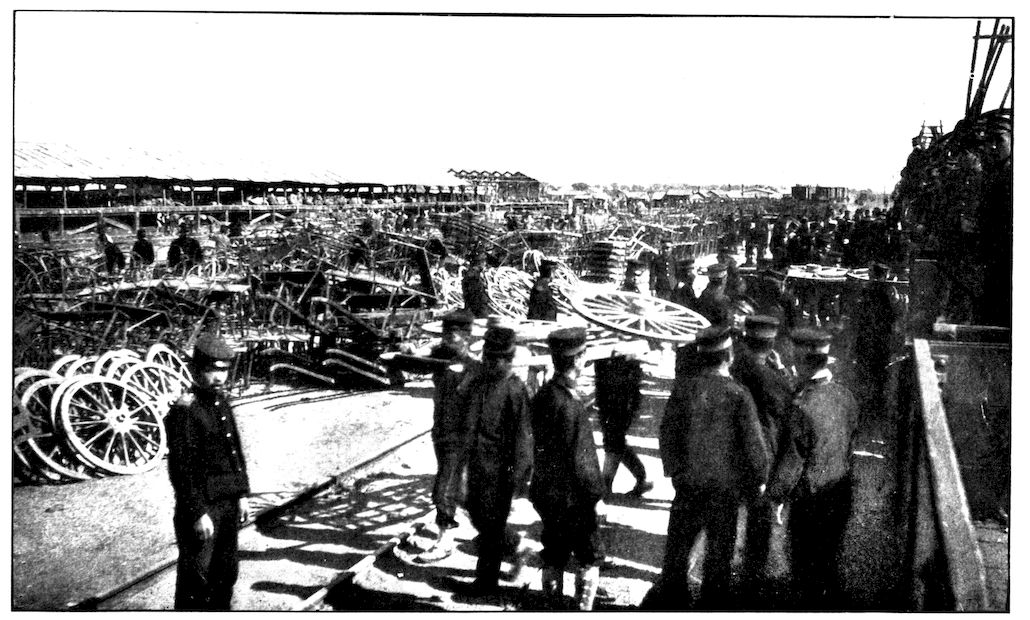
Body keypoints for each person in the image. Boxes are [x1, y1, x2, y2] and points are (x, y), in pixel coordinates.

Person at [649, 325, 770, 609]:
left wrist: (675, 472)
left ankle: (672, 608)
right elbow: (754, 445)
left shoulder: (684, 389)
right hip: (724, 492)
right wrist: (759, 479)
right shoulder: (739, 394)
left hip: (688, 486)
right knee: (718, 559)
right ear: (729, 356)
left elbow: (667, 434)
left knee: (677, 555)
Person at [767, 328, 858, 609]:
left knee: (804, 566)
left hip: (809, 499)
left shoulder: (802, 406)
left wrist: (777, 498)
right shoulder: (846, 396)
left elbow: (792, 460)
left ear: (801, 361)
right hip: (840, 493)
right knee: (828, 560)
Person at [165, 333, 250, 610]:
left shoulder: (221, 404)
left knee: (226, 573)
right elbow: (181, 469)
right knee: (196, 580)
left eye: (224, 371)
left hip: (227, 503)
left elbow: (234, 452)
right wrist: (197, 512)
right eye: (213, 370)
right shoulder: (185, 412)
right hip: (203, 508)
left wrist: (242, 494)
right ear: (196, 369)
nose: (219, 377)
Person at [530, 327, 607, 610]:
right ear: (578, 360)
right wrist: (596, 496)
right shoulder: (571, 406)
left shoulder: (543, 396)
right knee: (589, 556)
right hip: (575, 499)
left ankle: (550, 607)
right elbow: (582, 460)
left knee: (553, 552)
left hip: (547, 494)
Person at [457, 325, 533, 596]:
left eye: (494, 359)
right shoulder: (480, 381)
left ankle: (485, 584)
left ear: (508, 360)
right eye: (486, 357)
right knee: (477, 514)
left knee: (490, 527)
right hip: (475, 464)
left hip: (500, 472)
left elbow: (523, 440)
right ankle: (516, 547)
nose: (488, 362)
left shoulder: (515, 390)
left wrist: (518, 480)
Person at [729, 315, 793, 594]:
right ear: (771, 344)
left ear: (746, 340)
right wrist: (782, 371)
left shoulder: (735, 367)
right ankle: (752, 580)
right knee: (759, 521)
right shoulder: (771, 377)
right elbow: (791, 403)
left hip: (733, 451)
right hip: (763, 454)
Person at [424, 310, 479, 557]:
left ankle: (444, 542)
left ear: (466, 337)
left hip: (461, 436)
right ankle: (505, 539)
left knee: (444, 489)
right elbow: (415, 361)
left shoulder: (474, 367)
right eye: (445, 334)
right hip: (441, 431)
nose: (447, 339)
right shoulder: (440, 357)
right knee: (461, 491)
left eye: (452, 335)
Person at [595, 350, 653, 498]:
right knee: (615, 440)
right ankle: (641, 478)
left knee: (613, 439)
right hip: (610, 387)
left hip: (619, 391)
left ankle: (605, 486)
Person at [848, 262, 902, 421]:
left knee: (867, 372)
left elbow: (857, 317)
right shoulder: (888, 292)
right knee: (878, 373)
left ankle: (866, 407)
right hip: (878, 339)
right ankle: (875, 408)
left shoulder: (867, 291)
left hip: (869, 338)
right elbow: (895, 316)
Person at [462, 250, 492, 319]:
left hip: (475, 304)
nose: (485, 264)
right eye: (484, 262)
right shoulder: (474, 273)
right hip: (477, 304)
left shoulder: (473, 272)